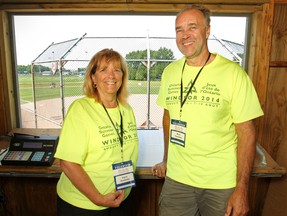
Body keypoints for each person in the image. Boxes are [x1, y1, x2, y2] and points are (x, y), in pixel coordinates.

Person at [151, 4, 264, 216]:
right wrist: (166, 159)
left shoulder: (233, 74)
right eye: (179, 30)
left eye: (192, 27)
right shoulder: (170, 72)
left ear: (207, 30)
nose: (185, 35)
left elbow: (247, 132)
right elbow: (168, 118)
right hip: (177, 180)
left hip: (220, 183)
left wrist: (241, 188)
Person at [55, 48, 138, 216]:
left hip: (120, 199)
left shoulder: (126, 110)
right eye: (103, 70)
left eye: (116, 70)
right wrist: (98, 198)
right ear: (93, 77)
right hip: (84, 206)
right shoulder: (81, 109)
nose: (111, 75)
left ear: (122, 76)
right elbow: (68, 164)